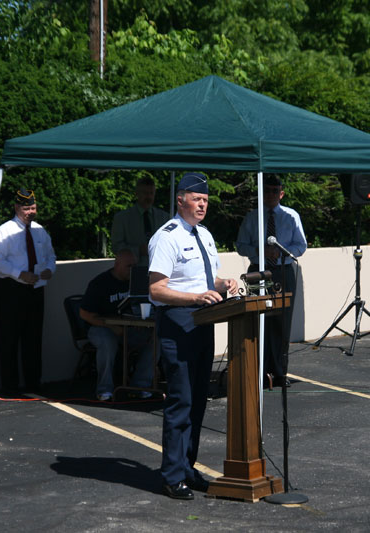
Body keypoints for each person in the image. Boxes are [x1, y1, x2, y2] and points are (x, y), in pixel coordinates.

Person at [148, 172, 238, 500]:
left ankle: (187, 467)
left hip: (204, 321)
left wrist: (222, 284)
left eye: (206, 201)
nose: (202, 205)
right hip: (178, 324)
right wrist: (196, 298)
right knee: (181, 401)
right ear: (180, 199)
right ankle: (171, 476)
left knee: (198, 401)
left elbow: (203, 281)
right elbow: (157, 290)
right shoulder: (167, 236)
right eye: (197, 200)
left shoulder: (205, 236)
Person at [235, 175, 307, 388]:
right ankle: (258, 371)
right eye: (266, 191)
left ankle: (279, 373)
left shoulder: (291, 216)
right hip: (258, 272)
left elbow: (300, 246)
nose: (270, 195)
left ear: (281, 193)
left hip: (283, 272)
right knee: (258, 322)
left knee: (281, 324)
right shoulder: (252, 217)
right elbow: (240, 245)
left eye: (275, 191)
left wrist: (281, 253)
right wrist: (260, 251)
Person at [0, 189, 56, 394]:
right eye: (26, 208)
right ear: (17, 208)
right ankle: (10, 386)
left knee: (34, 337)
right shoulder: (5, 231)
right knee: (10, 337)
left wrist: (49, 270)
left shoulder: (39, 230)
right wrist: (19, 274)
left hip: (35, 288)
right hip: (13, 289)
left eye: (33, 207)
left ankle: (33, 382)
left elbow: (51, 255)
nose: (31, 212)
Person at [79, 249, 155, 401]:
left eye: (134, 266)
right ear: (117, 265)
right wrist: (110, 326)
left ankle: (140, 385)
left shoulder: (136, 282)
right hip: (101, 327)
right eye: (128, 266)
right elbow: (84, 314)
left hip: (128, 326)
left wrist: (140, 321)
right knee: (107, 342)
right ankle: (104, 390)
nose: (132, 270)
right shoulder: (99, 283)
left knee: (156, 338)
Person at [111, 177, 169, 266]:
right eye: (145, 193)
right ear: (136, 194)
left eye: (151, 193)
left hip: (160, 268)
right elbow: (116, 247)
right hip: (132, 270)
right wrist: (138, 250)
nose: (149, 197)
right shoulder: (122, 218)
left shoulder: (165, 218)